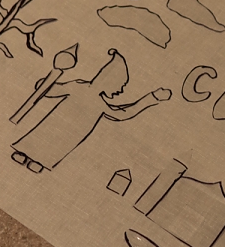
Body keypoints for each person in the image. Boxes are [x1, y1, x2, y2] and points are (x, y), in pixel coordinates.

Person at [11, 48, 170, 172]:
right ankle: (25, 153)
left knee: (56, 143)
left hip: (72, 133)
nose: (120, 91)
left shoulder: (96, 99)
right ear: (110, 82)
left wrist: (152, 98)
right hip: (58, 123)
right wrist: (45, 83)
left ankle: (37, 161)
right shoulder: (79, 87)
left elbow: (123, 113)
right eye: (120, 85)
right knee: (45, 135)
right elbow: (55, 90)